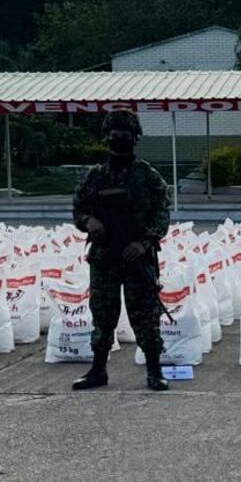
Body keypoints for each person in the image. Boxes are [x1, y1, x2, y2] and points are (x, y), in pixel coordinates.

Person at [70, 110, 171, 392]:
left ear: (136, 139)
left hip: (137, 258)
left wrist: (143, 243)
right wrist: (89, 222)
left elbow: (162, 216)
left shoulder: (148, 177)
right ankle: (98, 370)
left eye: (125, 137)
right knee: (103, 316)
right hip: (104, 259)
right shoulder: (95, 177)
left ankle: (154, 371)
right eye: (114, 137)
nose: (119, 142)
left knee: (145, 317)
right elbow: (79, 209)